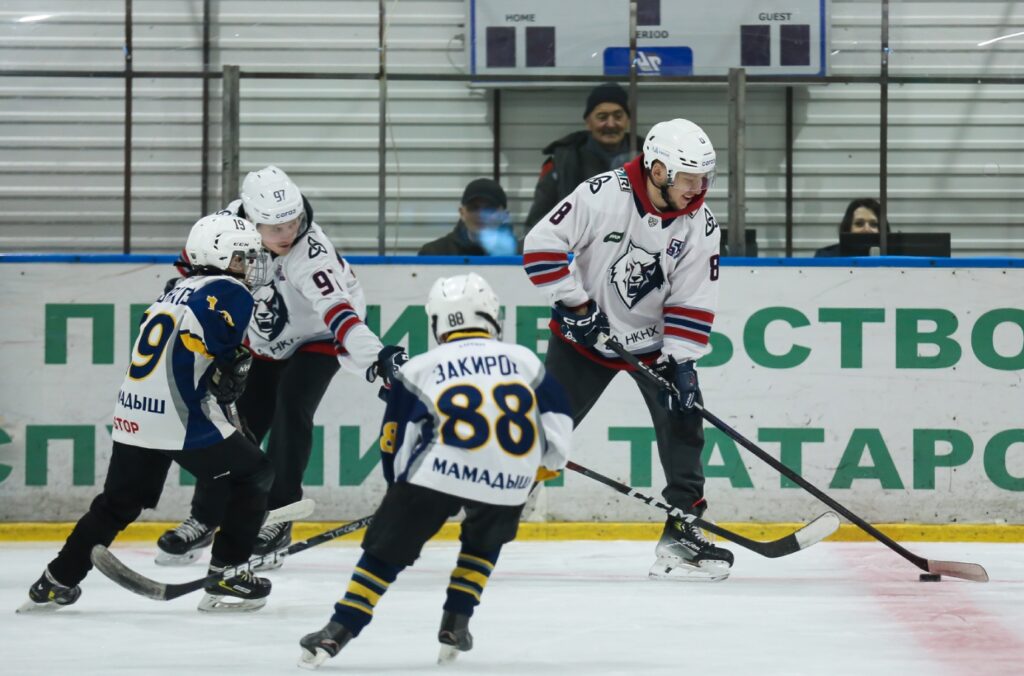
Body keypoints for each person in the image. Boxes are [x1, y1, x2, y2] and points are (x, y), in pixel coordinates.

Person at [296, 273, 573, 669]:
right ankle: (456, 624)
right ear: (492, 317)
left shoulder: (421, 367)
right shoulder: (525, 360)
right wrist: (540, 469)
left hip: (437, 473)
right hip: (510, 478)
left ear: (437, 322)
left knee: (384, 556)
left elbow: (395, 439)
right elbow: (559, 424)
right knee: (483, 543)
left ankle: (337, 630)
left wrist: (398, 492)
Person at [18, 214, 276, 614]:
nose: (250, 266)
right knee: (254, 472)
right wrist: (234, 363)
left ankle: (55, 580)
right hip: (179, 414)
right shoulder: (229, 291)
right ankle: (229, 573)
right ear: (221, 254)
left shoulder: (174, 289)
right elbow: (224, 368)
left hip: (134, 411)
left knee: (117, 504)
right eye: (243, 257)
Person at [155, 166, 407, 567]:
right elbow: (192, 265)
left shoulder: (311, 255)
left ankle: (278, 517)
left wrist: (376, 361)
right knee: (232, 425)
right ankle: (205, 516)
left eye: (293, 222)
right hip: (264, 340)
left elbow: (341, 316)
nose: (287, 234)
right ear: (251, 222)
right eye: (275, 229)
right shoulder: (227, 227)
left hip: (320, 335)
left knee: (292, 407)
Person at [522, 118, 734, 582]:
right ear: (658, 170)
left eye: (705, 178)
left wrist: (682, 363)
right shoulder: (601, 195)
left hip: (654, 347)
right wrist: (577, 306)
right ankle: (485, 500)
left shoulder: (701, 222)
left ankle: (682, 533)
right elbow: (540, 246)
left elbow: (692, 298)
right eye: (690, 178)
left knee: (685, 426)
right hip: (583, 341)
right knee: (537, 431)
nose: (699, 189)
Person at [524, 82, 643, 230]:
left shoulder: (647, 159)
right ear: (588, 122)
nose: (611, 124)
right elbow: (538, 222)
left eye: (618, 116)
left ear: (628, 121)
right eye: (602, 117)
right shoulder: (562, 162)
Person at [418, 178, 518, 256]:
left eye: (489, 209)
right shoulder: (434, 254)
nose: (480, 215)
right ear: (462, 213)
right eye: (473, 208)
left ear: (504, 216)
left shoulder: (522, 255)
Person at [814, 198, 887, 257]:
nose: (867, 229)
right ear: (848, 227)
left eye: (873, 224)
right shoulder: (827, 257)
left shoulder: (892, 255)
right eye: (859, 224)